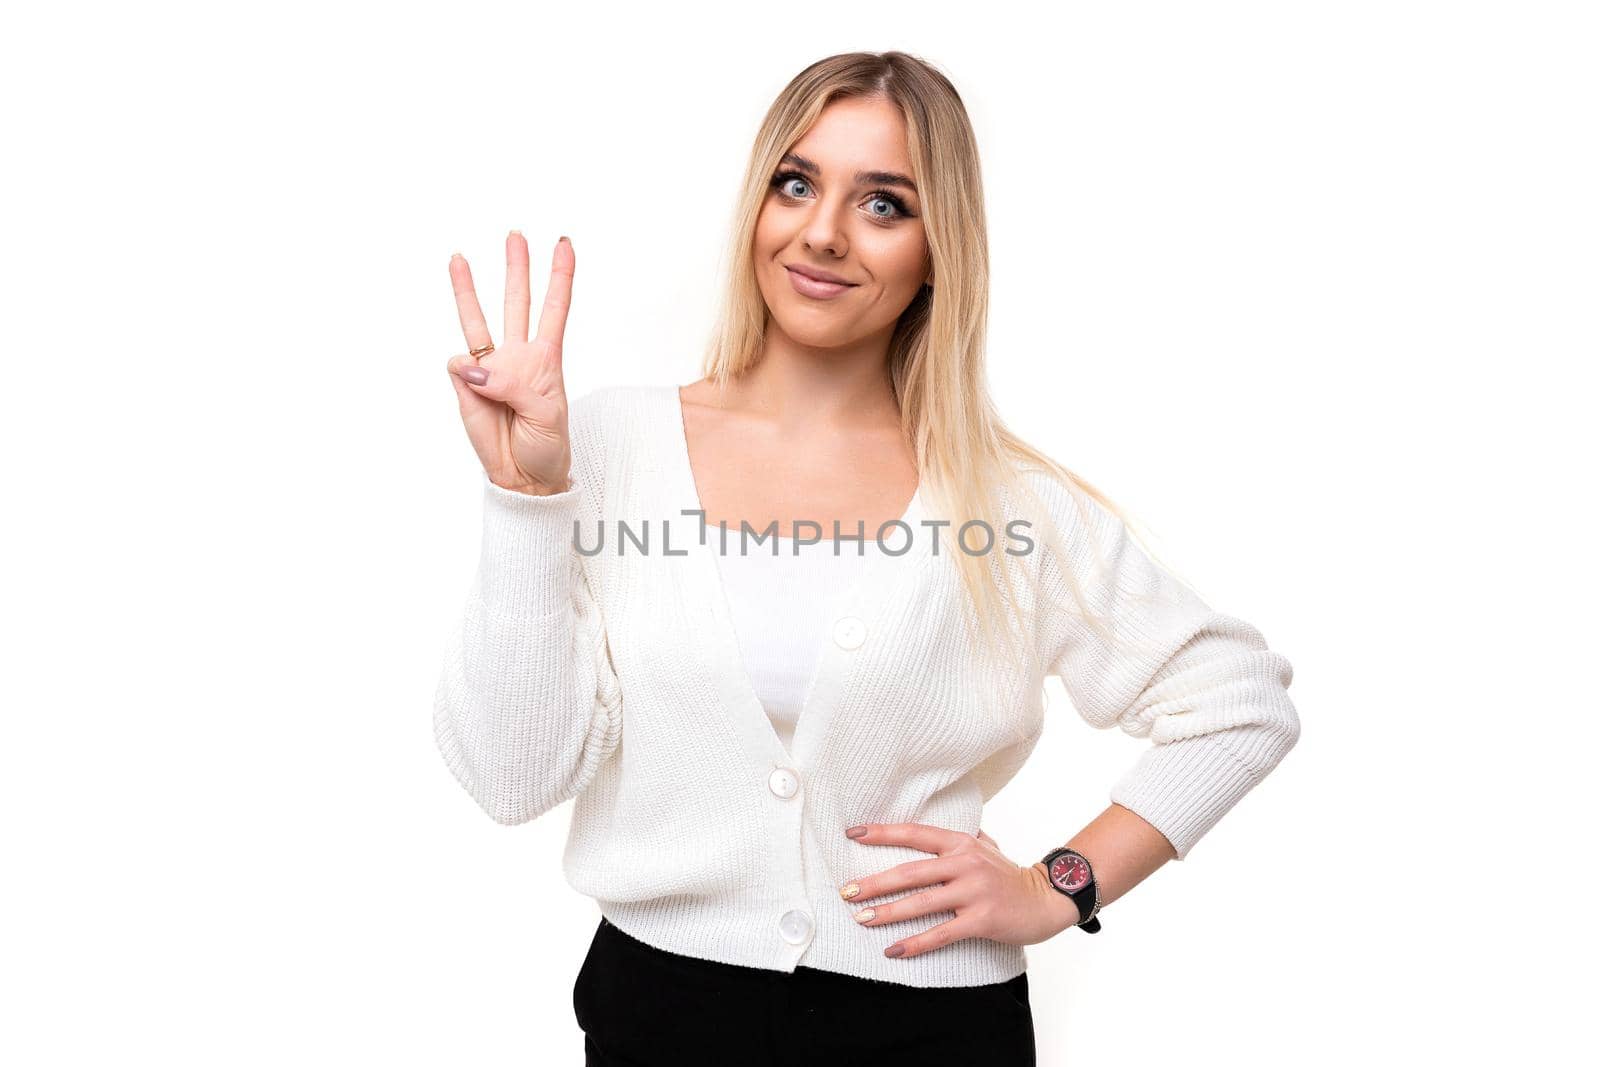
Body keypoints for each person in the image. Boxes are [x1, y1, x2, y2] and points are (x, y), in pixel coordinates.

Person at [434, 50, 1300, 1066]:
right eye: (795, 184)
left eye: (883, 203)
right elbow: (509, 776)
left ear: (939, 250)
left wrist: (1056, 884)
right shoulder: (608, 449)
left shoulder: (1008, 503)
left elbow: (1238, 702)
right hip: (658, 1013)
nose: (823, 233)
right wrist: (530, 500)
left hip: (931, 1023)